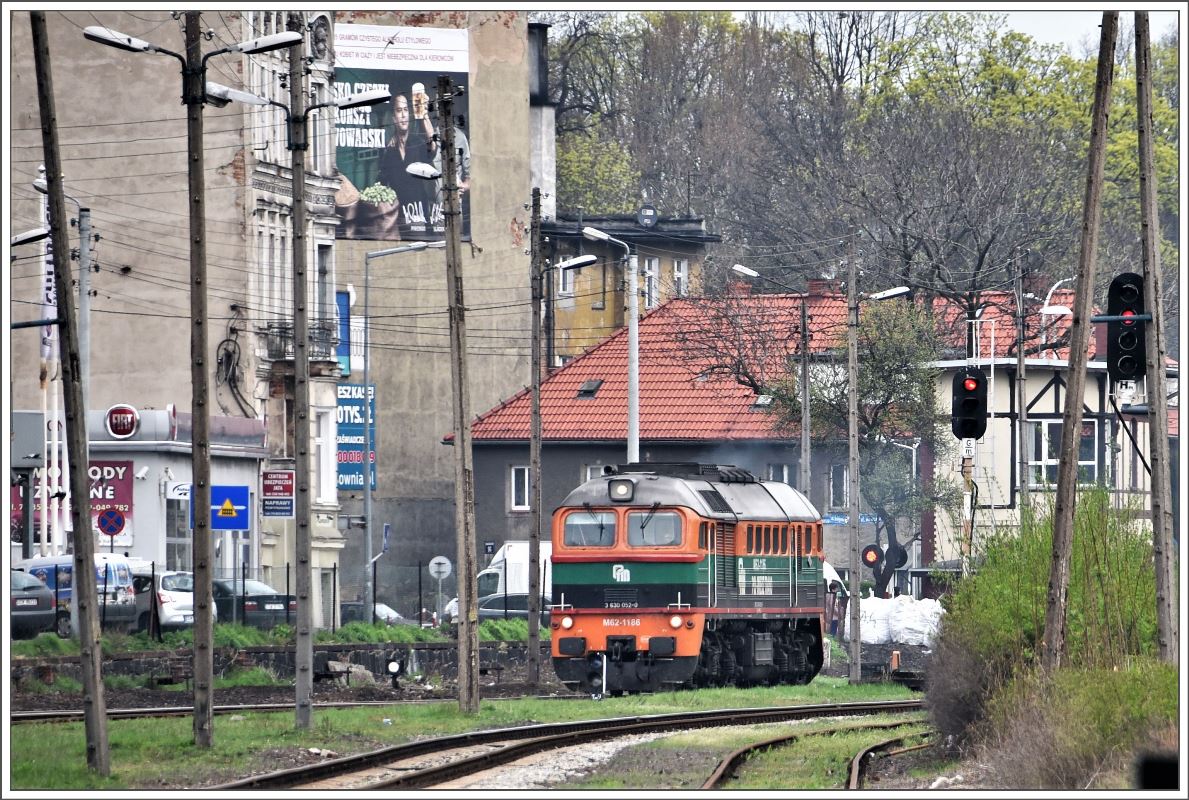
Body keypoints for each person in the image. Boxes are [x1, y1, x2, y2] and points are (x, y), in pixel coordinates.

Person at [377, 92, 437, 238]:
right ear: (393, 118)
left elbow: (432, 148)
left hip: (419, 216)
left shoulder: (417, 142)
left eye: (406, 110)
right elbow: (381, 183)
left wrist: (424, 114)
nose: (403, 115)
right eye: (399, 111)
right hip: (398, 218)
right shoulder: (388, 150)